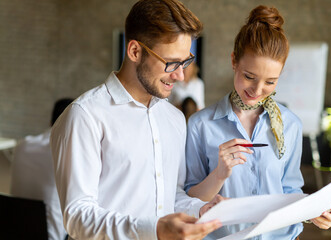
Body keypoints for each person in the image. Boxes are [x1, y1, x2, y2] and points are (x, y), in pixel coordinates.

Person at [50, 1, 222, 239]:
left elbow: (171, 196)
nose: (180, 75)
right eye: (171, 63)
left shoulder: (174, 118)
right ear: (134, 51)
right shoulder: (85, 115)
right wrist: (154, 230)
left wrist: (199, 208)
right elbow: (78, 217)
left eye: (185, 62)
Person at [184, 5, 331, 240]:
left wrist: (312, 212)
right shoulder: (200, 125)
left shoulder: (290, 125)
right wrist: (219, 174)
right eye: (249, 76)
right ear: (234, 61)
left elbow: (289, 191)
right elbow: (189, 201)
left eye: (270, 81)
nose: (257, 90)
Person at [11, 98, 73, 240]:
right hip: (51, 235)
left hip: (13, 230)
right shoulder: (67, 153)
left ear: (51, 121)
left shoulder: (22, 146)